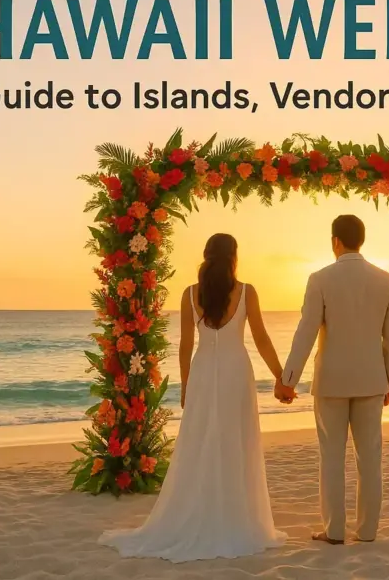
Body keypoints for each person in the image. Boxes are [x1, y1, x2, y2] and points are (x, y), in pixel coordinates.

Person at [99, 233, 288, 562]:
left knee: (201, 441)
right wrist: (280, 376)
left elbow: (186, 345)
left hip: (202, 371)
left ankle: (204, 510)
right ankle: (236, 517)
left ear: (207, 255)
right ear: (234, 257)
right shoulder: (247, 292)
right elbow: (261, 338)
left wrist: (187, 384)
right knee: (235, 440)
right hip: (235, 371)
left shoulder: (190, 293)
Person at [276, 215, 389, 545]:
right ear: (361, 240)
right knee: (370, 459)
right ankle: (368, 531)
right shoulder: (386, 280)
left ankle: (333, 531)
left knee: (331, 457)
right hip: (371, 380)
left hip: (331, 381)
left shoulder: (320, 279)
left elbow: (306, 332)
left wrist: (289, 380)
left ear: (335, 241)